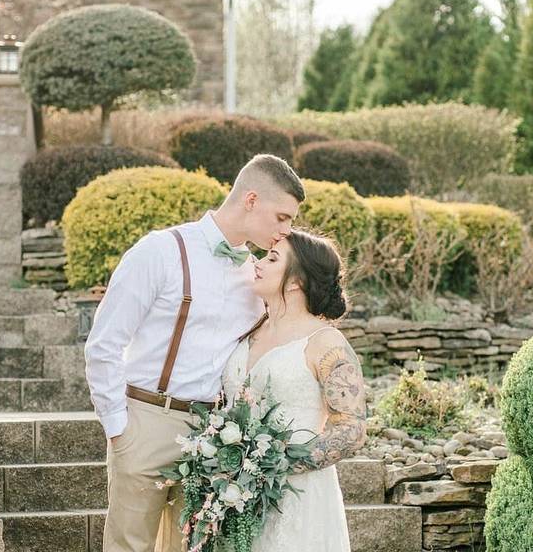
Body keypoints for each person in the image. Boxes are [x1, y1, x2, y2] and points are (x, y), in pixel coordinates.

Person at [84, 154, 305, 552]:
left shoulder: (257, 275)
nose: (286, 231)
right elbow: (104, 343)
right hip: (147, 421)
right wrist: (119, 429)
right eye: (282, 217)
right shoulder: (160, 251)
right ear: (251, 199)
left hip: (215, 434)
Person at [222, 228, 367, 552]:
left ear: (295, 281)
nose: (257, 263)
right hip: (235, 495)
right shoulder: (247, 330)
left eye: (272, 258)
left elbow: (352, 429)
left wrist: (275, 463)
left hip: (299, 499)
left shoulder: (325, 343)